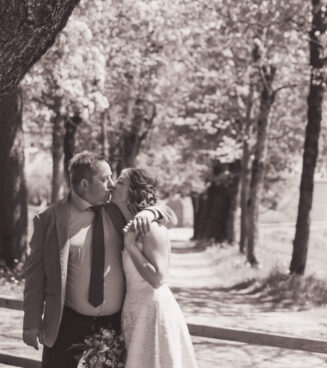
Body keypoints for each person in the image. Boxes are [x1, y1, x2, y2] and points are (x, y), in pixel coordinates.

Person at [22, 151, 176, 368]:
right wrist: (31, 322)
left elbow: (168, 213)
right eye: (105, 179)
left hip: (114, 324)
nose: (112, 184)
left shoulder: (118, 210)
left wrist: (150, 213)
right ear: (85, 184)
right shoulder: (50, 219)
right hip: (67, 322)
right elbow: (35, 275)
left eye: (113, 178)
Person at [112, 168, 197, 368]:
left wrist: (131, 246)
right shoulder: (129, 222)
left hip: (152, 310)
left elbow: (158, 279)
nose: (114, 184)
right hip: (133, 309)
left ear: (134, 191)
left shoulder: (150, 227)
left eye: (121, 182)